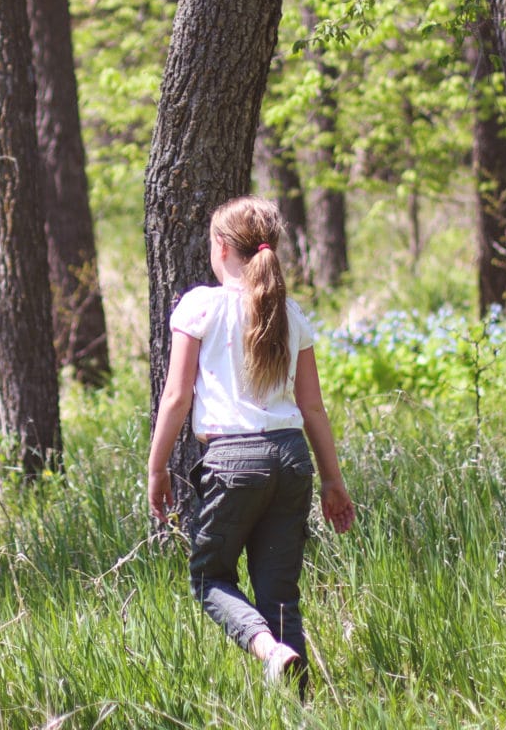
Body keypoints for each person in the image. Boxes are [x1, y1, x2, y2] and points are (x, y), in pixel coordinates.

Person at [146, 195, 357, 686]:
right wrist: (332, 480)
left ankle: (266, 649)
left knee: (209, 577)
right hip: (292, 459)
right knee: (280, 595)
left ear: (221, 248)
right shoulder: (292, 313)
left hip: (233, 461)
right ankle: (299, 706)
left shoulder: (200, 306)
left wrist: (157, 469)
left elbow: (176, 397)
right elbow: (313, 408)